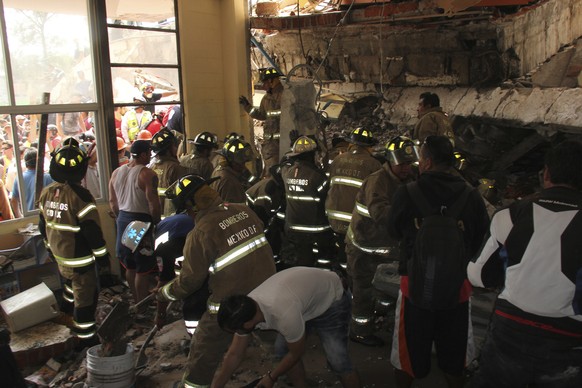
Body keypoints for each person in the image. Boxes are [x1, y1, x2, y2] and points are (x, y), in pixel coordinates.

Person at [467, 140, 582, 388]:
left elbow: (479, 276)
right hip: (569, 341)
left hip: (511, 331)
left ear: (546, 174)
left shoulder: (510, 215)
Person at [387, 136, 489, 388]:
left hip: (413, 285)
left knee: (407, 356)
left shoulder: (407, 192)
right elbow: (480, 239)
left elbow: (393, 230)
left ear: (428, 162)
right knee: (456, 358)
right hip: (458, 289)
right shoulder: (472, 195)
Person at [156, 174, 276, 388]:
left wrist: (163, 293)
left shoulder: (200, 233)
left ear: (190, 206)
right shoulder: (244, 210)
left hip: (230, 305)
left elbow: (189, 282)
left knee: (203, 351)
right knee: (278, 343)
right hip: (267, 293)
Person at [214, 267, 360, 388]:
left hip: (332, 301)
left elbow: (296, 352)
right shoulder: (245, 308)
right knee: (282, 351)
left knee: (338, 360)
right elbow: (235, 354)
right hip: (303, 303)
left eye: (235, 330)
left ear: (247, 324)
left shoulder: (283, 314)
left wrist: (271, 377)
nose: (236, 334)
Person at [345, 136, 418, 347]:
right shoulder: (377, 181)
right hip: (365, 248)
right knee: (363, 291)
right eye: (401, 164)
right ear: (391, 161)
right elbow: (381, 213)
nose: (406, 168)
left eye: (409, 163)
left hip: (389, 248)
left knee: (385, 289)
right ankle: (360, 331)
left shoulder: (410, 178)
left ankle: (379, 316)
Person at [38, 143, 110, 345]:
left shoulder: (46, 193)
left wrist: (49, 250)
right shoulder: (81, 196)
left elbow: (42, 226)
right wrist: (103, 258)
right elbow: (92, 232)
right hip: (80, 261)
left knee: (70, 289)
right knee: (86, 298)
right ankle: (85, 339)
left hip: (61, 258)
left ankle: (67, 320)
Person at [109, 139, 161, 304]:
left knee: (130, 265)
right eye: (149, 153)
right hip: (140, 221)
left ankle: (136, 300)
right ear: (144, 154)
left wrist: (119, 218)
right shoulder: (147, 174)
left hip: (123, 219)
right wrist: (156, 223)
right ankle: (143, 303)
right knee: (142, 269)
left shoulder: (116, 172)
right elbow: (153, 204)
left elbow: (112, 201)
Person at [325, 127, 382, 267]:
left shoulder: (337, 160)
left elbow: (330, 185)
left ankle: (339, 275)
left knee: (340, 250)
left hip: (334, 219)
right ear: (369, 147)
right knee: (352, 255)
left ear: (351, 143)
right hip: (355, 221)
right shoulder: (374, 164)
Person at [281, 136, 333, 267]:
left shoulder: (287, 173)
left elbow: (283, 163)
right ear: (311, 155)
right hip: (317, 229)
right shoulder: (317, 176)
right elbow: (327, 199)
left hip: (294, 228)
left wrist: (292, 145)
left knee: (303, 260)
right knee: (323, 259)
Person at [239, 67, 283, 174]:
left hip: (283, 144)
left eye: (265, 83)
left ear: (271, 81)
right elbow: (262, 115)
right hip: (271, 146)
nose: (263, 87)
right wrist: (248, 107)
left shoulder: (285, 96)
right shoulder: (266, 99)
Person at [149, 128, 189, 216]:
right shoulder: (176, 168)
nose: (176, 148)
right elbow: (185, 196)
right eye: (174, 146)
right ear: (168, 150)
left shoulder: (152, 167)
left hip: (158, 215)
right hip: (173, 215)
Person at [11, 148, 54, 217]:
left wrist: (19, 216)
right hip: (45, 216)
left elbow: (13, 200)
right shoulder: (48, 177)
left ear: (26, 163)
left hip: (27, 218)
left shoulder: (19, 178)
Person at [210, 137, 254, 204]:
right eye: (241, 163)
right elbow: (232, 210)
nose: (243, 167)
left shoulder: (219, 169)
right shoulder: (229, 181)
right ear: (231, 161)